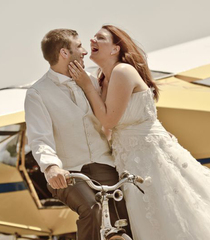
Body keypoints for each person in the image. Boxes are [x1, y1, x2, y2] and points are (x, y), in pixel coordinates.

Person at [69, 25, 210, 240]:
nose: (93, 40)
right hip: (129, 159)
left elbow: (109, 119)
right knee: (153, 215)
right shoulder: (104, 79)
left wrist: (86, 86)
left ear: (115, 48)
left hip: (150, 155)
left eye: (100, 37)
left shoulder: (122, 71)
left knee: (178, 211)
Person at [24, 28, 132, 240]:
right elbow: (39, 138)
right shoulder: (37, 94)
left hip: (104, 163)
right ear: (64, 53)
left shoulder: (91, 81)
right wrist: (52, 167)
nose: (85, 52)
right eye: (79, 46)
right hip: (68, 172)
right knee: (92, 208)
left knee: (125, 216)